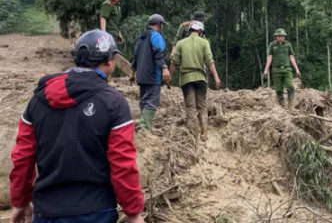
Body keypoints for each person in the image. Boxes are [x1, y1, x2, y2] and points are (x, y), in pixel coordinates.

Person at [9, 29, 144, 223]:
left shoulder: (37, 101)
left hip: (46, 212)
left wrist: (20, 202)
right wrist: (133, 212)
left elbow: (22, 158)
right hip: (97, 212)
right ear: (109, 60)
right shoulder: (114, 103)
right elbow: (122, 164)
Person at [170, 21, 221, 142]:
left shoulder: (181, 43)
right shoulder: (204, 42)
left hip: (186, 79)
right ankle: (204, 133)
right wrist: (216, 77)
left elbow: (174, 61)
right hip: (201, 79)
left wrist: (170, 76)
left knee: (191, 107)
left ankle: (193, 136)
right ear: (201, 32)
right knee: (202, 106)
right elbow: (209, 61)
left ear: (189, 30)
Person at [131, 14, 170, 130]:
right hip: (153, 75)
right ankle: (145, 127)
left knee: (144, 100)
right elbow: (158, 53)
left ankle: (143, 126)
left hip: (141, 75)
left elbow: (135, 56)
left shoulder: (141, 37)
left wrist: (132, 74)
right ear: (159, 24)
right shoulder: (156, 36)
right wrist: (164, 68)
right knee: (152, 101)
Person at [263, 29, 301, 111]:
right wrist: (266, 70)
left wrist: (297, 69)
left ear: (284, 37)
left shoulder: (288, 45)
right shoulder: (272, 45)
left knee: (290, 87)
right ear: (276, 37)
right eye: (278, 36)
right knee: (278, 89)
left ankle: (291, 107)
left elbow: (291, 57)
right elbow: (269, 57)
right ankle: (282, 107)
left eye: (282, 36)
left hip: (287, 69)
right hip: (276, 70)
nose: (280, 38)